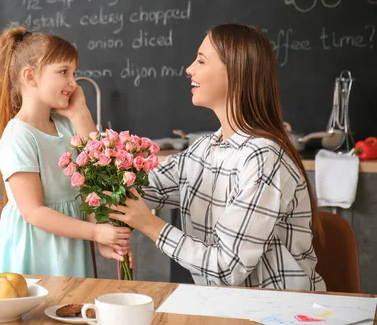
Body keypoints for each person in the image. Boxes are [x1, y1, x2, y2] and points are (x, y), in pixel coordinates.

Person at [108, 23, 326, 291]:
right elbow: (132, 189)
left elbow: (226, 270)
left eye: (201, 60)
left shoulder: (262, 158)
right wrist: (78, 117)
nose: (189, 69)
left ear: (235, 72)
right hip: (224, 305)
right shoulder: (204, 149)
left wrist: (150, 225)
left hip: (276, 312)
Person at [0, 25, 131, 278]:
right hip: (34, 251)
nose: (73, 83)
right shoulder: (19, 136)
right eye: (63, 72)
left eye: (74, 73)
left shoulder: (67, 126)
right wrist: (96, 233)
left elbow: (95, 177)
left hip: (70, 247)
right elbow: (34, 213)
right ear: (30, 77)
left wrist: (81, 113)